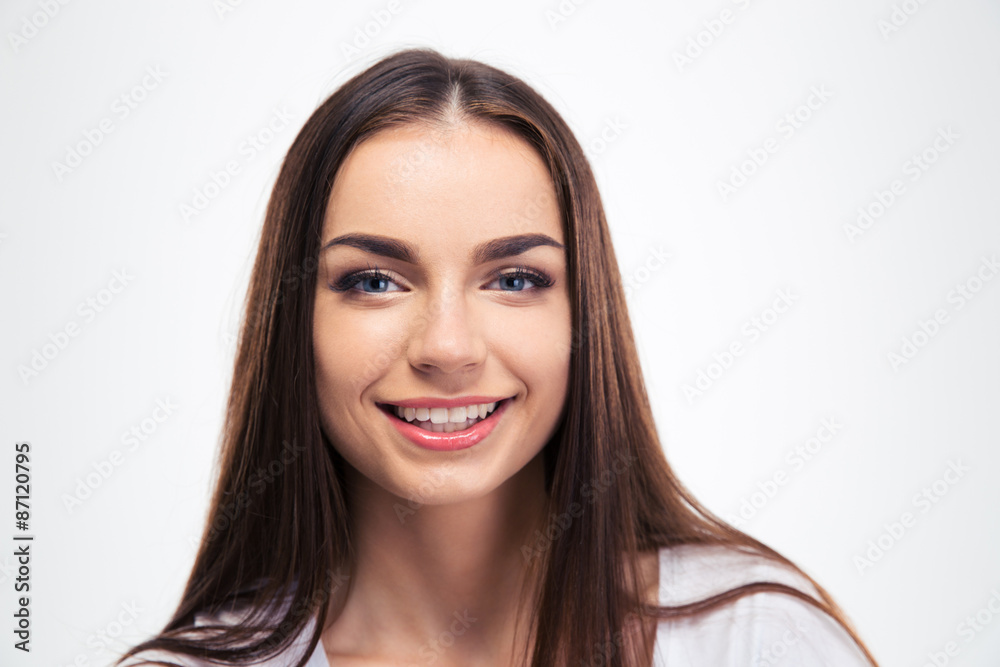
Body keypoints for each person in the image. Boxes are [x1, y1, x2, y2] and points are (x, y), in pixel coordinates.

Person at [118, 48, 878, 667]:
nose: (448, 348)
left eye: (514, 279)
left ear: (585, 315)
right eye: (374, 281)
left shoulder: (756, 642)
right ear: (295, 321)